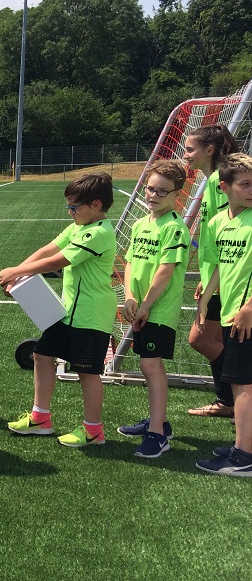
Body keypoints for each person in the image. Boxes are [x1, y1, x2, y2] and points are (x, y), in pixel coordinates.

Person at [0, 174, 117, 448]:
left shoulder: (99, 232)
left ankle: (93, 430)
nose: (70, 212)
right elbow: (48, 249)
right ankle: (41, 418)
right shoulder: (77, 226)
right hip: (66, 312)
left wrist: (15, 272)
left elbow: (59, 260)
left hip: (91, 316)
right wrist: (15, 275)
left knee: (87, 372)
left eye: (74, 207)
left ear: (96, 204)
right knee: (41, 355)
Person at [115, 160, 191, 458]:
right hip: (141, 306)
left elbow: (165, 271)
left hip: (159, 309)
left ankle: (158, 434)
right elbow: (131, 262)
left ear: (176, 194)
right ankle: (160, 422)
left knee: (150, 365)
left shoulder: (174, 228)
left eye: (162, 191)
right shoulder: (140, 224)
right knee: (149, 364)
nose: (153, 195)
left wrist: (145, 305)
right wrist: (131, 297)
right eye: (150, 189)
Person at [195, 153, 252, 476]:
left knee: (245, 385)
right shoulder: (218, 222)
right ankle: (242, 444)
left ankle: (244, 456)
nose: (251, 190)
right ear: (224, 187)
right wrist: (206, 297)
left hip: (247, 316)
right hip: (231, 313)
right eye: (245, 184)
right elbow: (217, 266)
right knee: (239, 383)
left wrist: (248, 308)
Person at [184, 125, 239, 418]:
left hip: (227, 278)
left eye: (190, 149)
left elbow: (225, 234)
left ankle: (235, 394)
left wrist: (212, 281)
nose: (185, 155)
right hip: (217, 277)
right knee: (215, 340)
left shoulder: (220, 181)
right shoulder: (212, 181)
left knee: (200, 339)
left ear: (210, 150)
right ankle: (230, 400)